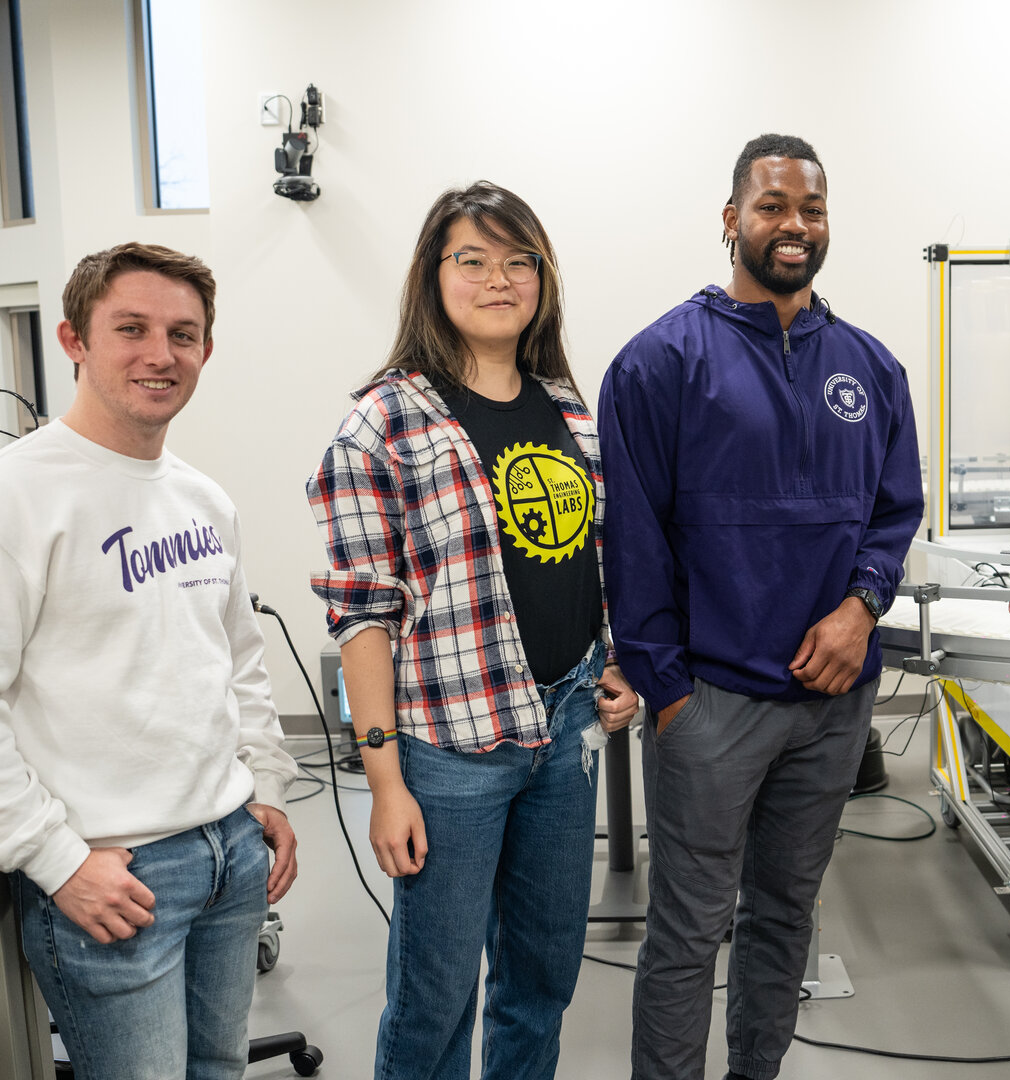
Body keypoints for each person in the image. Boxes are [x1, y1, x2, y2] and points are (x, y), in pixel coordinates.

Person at [0, 242, 301, 1079]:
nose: (161, 354)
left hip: (230, 854)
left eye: (183, 335)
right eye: (131, 328)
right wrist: (58, 861)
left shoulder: (202, 499)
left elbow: (239, 660)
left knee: (220, 1070)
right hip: (114, 873)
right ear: (74, 340)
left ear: (206, 350)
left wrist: (265, 785)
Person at [599, 133, 924, 1080]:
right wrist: (668, 696)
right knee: (688, 931)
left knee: (785, 916)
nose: (795, 225)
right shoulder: (659, 363)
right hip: (710, 705)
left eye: (811, 208)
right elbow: (634, 544)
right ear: (731, 218)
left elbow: (893, 513)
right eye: (773, 205)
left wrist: (861, 609)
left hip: (830, 707)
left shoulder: (871, 368)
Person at [307, 180, 640, 1080]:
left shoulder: (567, 405)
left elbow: (592, 559)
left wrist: (613, 662)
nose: (500, 279)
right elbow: (362, 617)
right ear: (433, 275)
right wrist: (385, 782)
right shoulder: (382, 423)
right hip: (449, 752)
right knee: (436, 997)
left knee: (542, 981)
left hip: (564, 733)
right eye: (474, 260)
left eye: (519, 261)